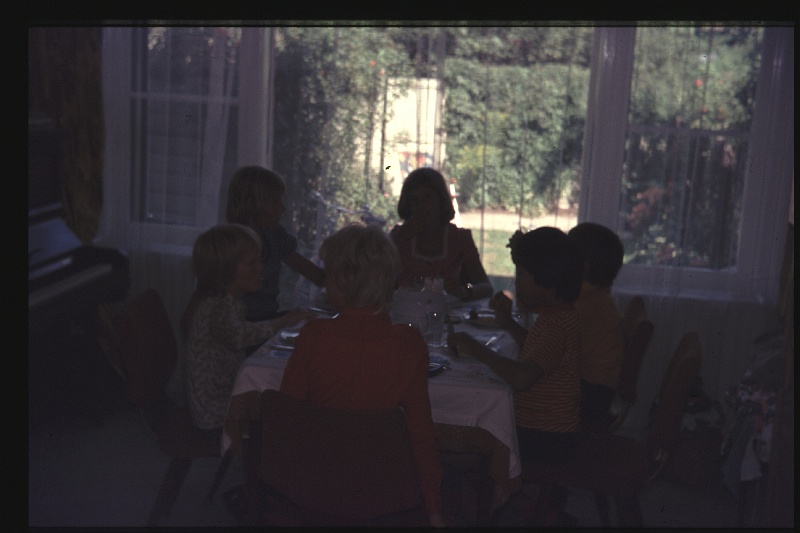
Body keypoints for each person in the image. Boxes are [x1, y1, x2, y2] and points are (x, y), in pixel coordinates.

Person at [280, 223, 445, 527]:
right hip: (383, 492)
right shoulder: (409, 344)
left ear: (345, 281)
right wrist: (433, 510)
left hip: (316, 487)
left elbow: (289, 416)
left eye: (327, 275)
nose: (324, 283)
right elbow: (421, 433)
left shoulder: (313, 335)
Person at [447, 227, 584, 464]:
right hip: (552, 431)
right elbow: (537, 350)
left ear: (547, 278)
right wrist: (507, 322)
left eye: (521, 274)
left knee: (466, 439)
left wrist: (476, 349)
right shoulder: (560, 316)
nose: (516, 282)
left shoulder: (555, 326)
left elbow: (523, 379)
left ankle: (490, 491)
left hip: (544, 437)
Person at [181, 224, 313, 432]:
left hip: (225, 396)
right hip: (215, 409)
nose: (260, 267)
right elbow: (239, 337)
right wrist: (285, 320)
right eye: (251, 263)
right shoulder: (217, 306)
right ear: (224, 273)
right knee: (285, 408)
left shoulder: (227, 301)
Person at [226, 166, 325, 322]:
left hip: (269, 321)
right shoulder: (229, 243)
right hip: (239, 330)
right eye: (276, 201)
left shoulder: (275, 236)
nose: (283, 208)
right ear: (253, 204)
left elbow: (317, 276)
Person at [390, 167, 492, 301]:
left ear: (441, 200)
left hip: (449, 318)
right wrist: (397, 241)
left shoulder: (459, 238)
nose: (421, 206)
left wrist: (464, 291)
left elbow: (486, 287)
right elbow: (375, 279)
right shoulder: (399, 235)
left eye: (427, 197)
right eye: (415, 200)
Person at [567, 222, 625, 432]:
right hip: (593, 394)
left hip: (586, 401)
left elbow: (552, 356)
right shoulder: (595, 297)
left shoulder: (586, 307)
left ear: (583, 268)